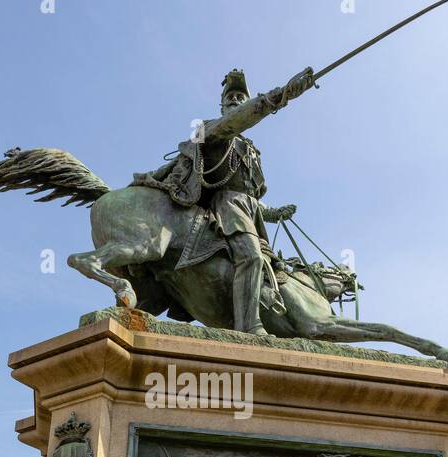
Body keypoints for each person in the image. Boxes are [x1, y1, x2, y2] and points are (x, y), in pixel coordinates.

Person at [133, 67, 313, 333]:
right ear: (221, 106)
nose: (236, 99)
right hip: (224, 208)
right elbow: (238, 122)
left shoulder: (250, 150)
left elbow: (251, 197)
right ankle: (250, 326)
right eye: (230, 97)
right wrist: (281, 96)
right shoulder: (212, 129)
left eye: (241, 96)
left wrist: (274, 213)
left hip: (247, 211)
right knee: (250, 257)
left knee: (268, 266)